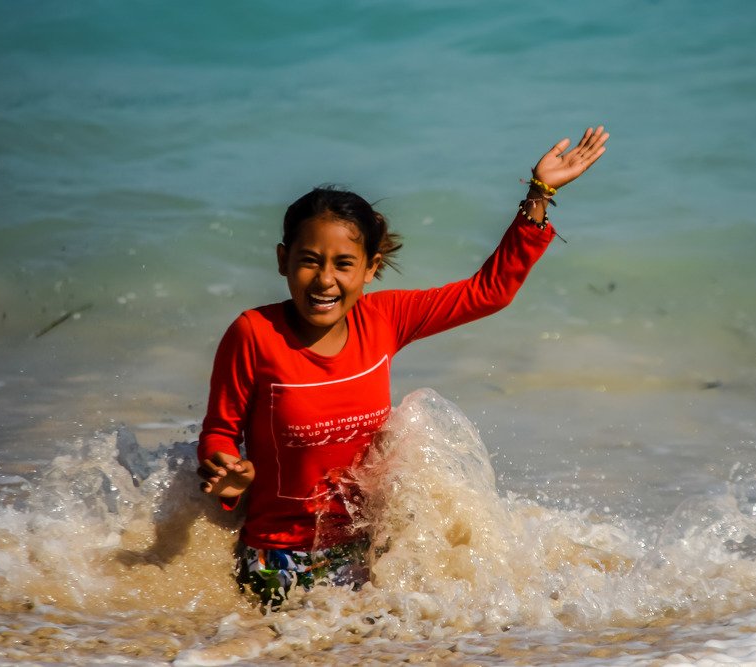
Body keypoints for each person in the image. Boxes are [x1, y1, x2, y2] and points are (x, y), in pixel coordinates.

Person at [196, 126, 609, 608]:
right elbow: (219, 432)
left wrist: (540, 194)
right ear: (283, 260)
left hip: (374, 552)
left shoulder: (383, 319)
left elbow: (489, 292)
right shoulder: (254, 333)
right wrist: (228, 479)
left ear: (370, 268)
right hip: (280, 558)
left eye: (343, 264)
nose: (325, 279)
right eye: (309, 261)